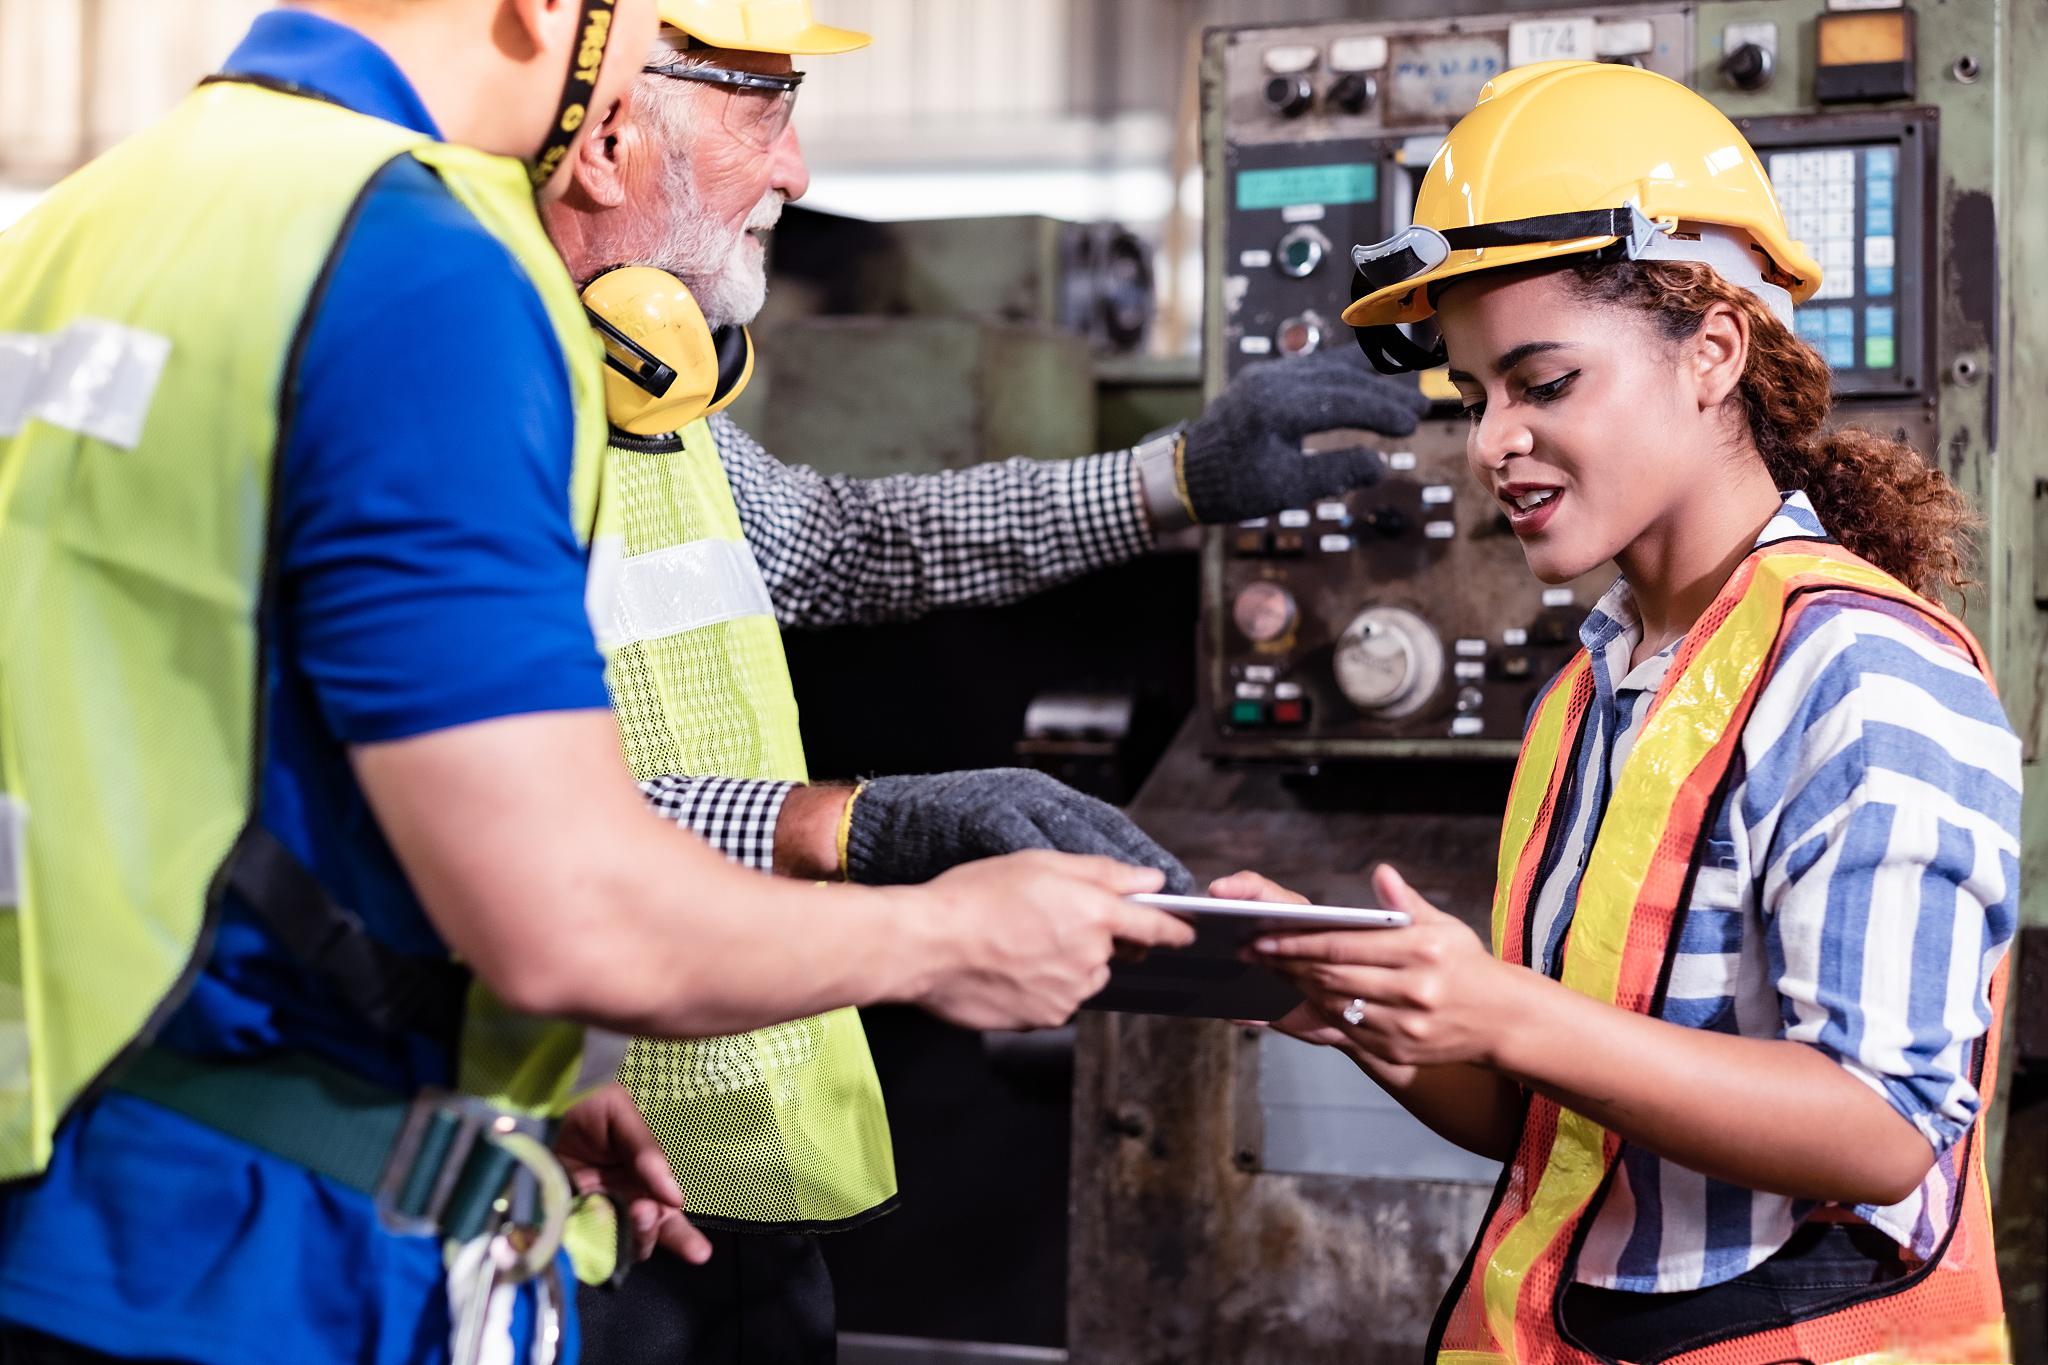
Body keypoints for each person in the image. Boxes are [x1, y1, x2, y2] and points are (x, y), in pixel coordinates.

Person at [0, 1, 1194, 1361]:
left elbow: (209, 748)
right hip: (270, 1264)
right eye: (665, 53)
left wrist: (476, 1111)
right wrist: (951, 934)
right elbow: (565, 913)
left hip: (81, 1182)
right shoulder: (415, 265)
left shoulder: (85, 228)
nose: (621, 95)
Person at [537, 5, 1431, 1359]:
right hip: (579, 1175)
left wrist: (1172, 479)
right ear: (611, 139)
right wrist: (852, 825)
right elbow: (496, 809)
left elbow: (850, 540)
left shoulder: (651, 409)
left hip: (734, 1164)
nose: (796, 172)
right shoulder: (473, 413)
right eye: (763, 115)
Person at [1235, 61, 2019, 1365]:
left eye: (1543, 384)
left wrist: (1506, 1010)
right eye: (1475, 396)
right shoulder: (1589, 693)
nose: (1490, 443)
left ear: (1713, 352)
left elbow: (1883, 1125)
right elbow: (1550, 1118)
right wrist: (1372, 1004)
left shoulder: (1864, 671)